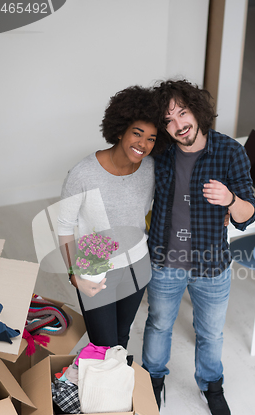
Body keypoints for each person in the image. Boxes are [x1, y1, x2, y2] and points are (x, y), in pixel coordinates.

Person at [142, 79, 255, 415]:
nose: (179, 125)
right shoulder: (160, 153)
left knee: (211, 332)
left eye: (183, 112)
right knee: (159, 323)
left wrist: (230, 199)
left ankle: (210, 384)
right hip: (165, 260)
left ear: (197, 109)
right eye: (169, 120)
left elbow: (247, 215)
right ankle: (153, 379)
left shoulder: (229, 152)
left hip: (212, 266)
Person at [57, 86, 161, 349]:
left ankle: (116, 389)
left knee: (121, 339)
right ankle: (97, 388)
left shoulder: (152, 169)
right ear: (119, 130)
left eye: (151, 138)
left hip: (137, 264)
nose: (143, 144)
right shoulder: (83, 174)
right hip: (95, 267)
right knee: (102, 344)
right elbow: (64, 226)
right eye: (137, 134)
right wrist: (73, 274)